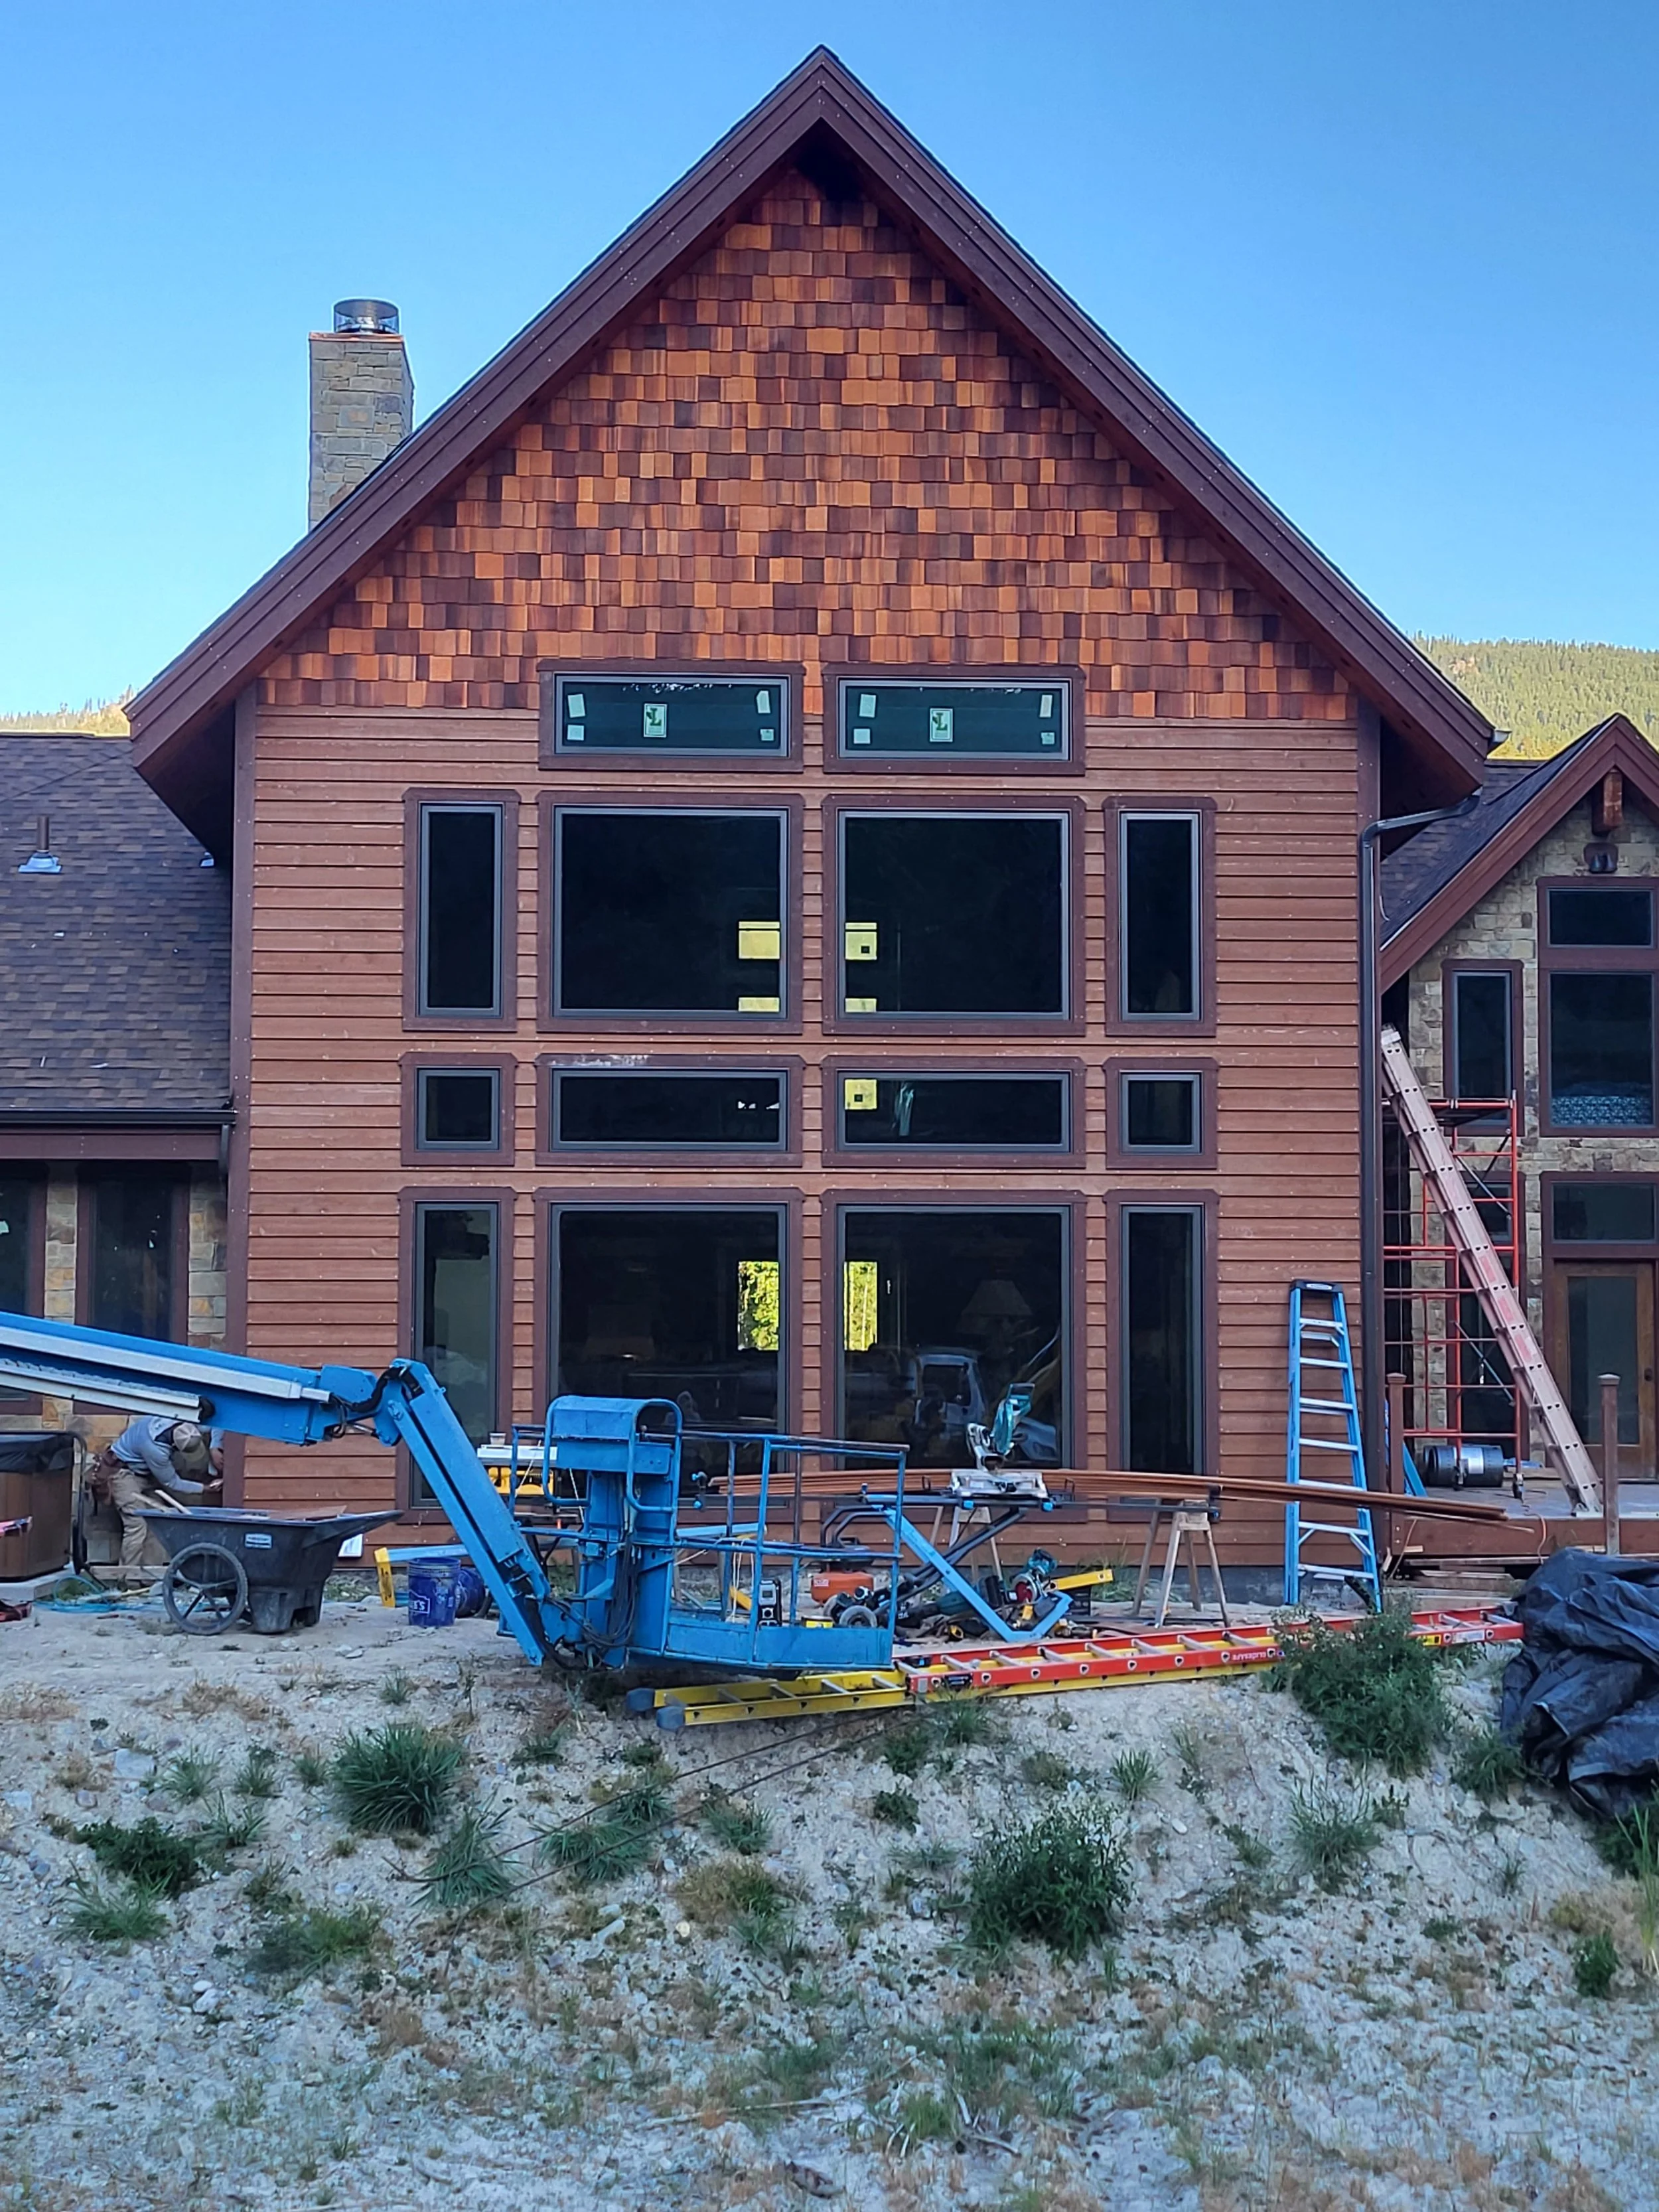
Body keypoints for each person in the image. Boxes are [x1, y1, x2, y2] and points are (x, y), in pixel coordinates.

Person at [90, 1417, 224, 1580]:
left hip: (143, 1473)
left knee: (159, 1520)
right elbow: (173, 1482)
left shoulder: (183, 1422)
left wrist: (215, 1446)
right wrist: (205, 1489)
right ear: (175, 1446)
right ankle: (128, 1579)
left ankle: (149, 1578)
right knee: (137, 1524)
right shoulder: (156, 1450)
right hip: (122, 1473)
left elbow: (218, 1423)